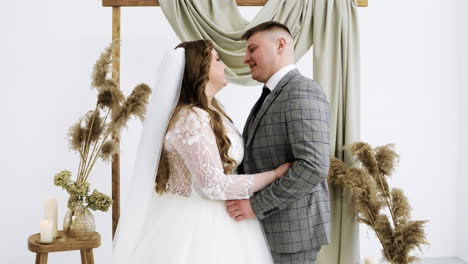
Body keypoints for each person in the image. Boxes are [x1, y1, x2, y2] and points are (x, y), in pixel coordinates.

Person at [112, 39, 292, 264]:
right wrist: (274, 176)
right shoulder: (191, 119)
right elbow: (213, 185)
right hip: (198, 225)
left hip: (225, 221)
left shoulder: (213, 111)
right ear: (201, 69)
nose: (225, 66)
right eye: (218, 59)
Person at [226, 21, 331, 264]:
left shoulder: (302, 91)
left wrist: (255, 205)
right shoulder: (272, 94)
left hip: (291, 235)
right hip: (264, 231)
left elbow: (313, 166)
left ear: (280, 45)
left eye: (252, 49)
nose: (245, 59)